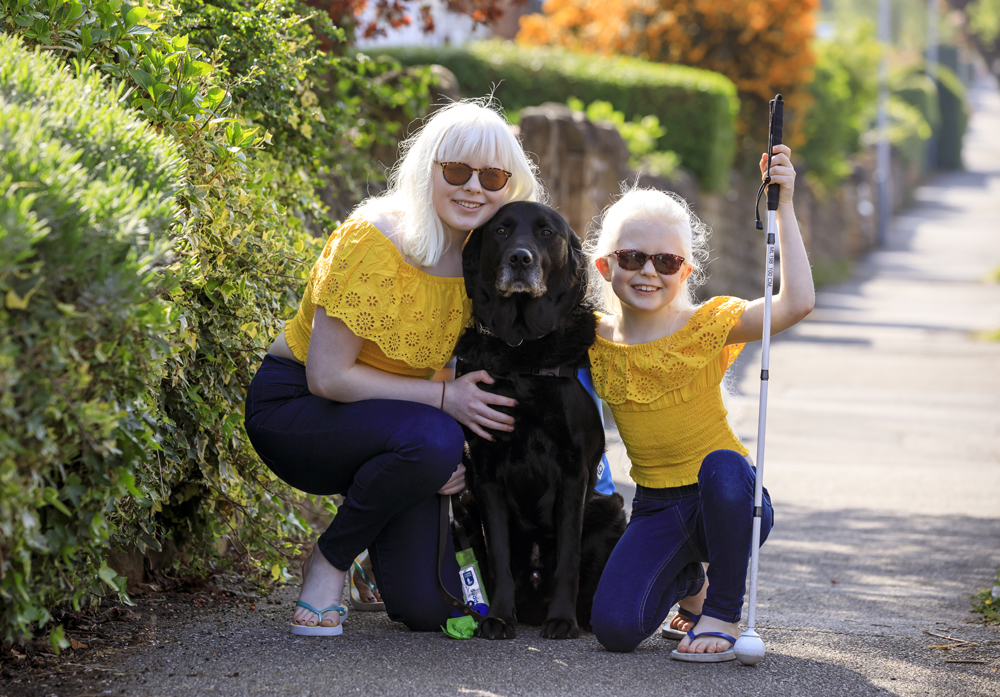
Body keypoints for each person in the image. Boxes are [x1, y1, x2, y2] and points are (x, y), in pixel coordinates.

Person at [243, 98, 545, 635]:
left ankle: (372, 550)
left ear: (510, 187)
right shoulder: (375, 240)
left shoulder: (484, 262)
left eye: (492, 176)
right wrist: (445, 410)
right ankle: (331, 559)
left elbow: (463, 365)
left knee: (431, 612)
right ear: (427, 168)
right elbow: (327, 377)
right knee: (430, 439)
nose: (474, 187)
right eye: (456, 170)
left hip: (397, 421)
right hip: (298, 412)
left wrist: (458, 452)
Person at [586, 145, 814, 661]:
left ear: (685, 271)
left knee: (724, 467)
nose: (649, 271)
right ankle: (691, 581)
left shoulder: (704, 325)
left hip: (728, 500)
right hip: (655, 506)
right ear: (605, 266)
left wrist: (785, 206)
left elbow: (796, 302)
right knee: (615, 629)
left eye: (666, 261)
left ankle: (722, 610)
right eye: (631, 257)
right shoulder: (591, 337)